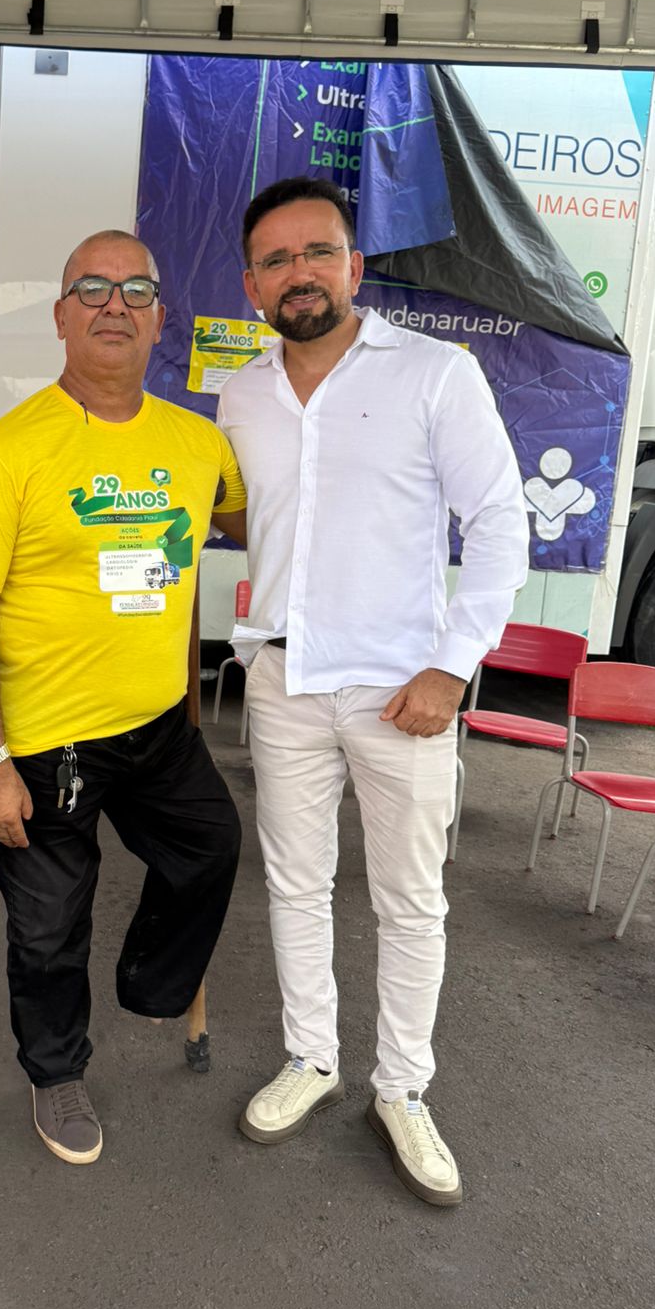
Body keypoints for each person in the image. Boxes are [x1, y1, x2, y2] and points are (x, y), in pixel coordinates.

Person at [217, 176, 528, 1207]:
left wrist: (453, 663)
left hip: (404, 688)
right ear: (252, 283)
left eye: (318, 251)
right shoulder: (243, 394)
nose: (298, 272)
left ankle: (402, 1088)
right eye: (275, 259)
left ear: (354, 266)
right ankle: (312, 1057)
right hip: (284, 678)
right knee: (295, 885)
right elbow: (254, 520)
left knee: (409, 901)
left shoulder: (435, 374)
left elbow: (501, 524)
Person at [0, 230, 246, 1166]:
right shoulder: (6, 451)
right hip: (46, 746)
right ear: (62, 316)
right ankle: (57, 1072)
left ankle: (150, 986)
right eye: (94, 289)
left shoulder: (199, 444)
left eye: (136, 289)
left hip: (158, 727)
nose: (116, 304)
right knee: (48, 930)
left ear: (160, 319)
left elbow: (253, 522)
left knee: (210, 846)